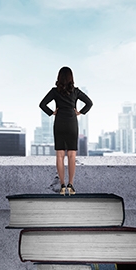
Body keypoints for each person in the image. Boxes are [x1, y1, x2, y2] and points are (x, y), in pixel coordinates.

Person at [39, 66, 93, 195]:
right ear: (71, 78)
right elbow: (89, 103)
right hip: (71, 122)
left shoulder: (54, 91)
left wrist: (52, 112)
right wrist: (80, 112)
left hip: (59, 122)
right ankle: (71, 185)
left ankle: (62, 186)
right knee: (72, 155)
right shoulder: (75, 91)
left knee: (59, 155)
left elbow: (42, 104)